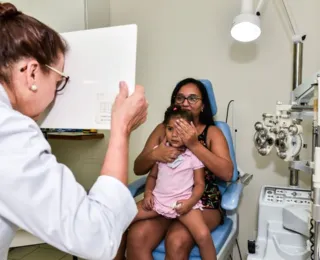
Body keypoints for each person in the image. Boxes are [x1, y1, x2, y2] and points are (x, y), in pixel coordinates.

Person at [0, 2, 148, 260]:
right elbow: (96, 236)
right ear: (32, 73)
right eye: (59, 82)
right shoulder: (8, 130)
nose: (58, 95)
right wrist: (121, 130)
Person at [120, 78, 233, 260]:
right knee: (137, 236)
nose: (185, 103)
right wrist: (155, 155)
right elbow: (138, 168)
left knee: (176, 240)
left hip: (201, 201)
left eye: (192, 98)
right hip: (164, 198)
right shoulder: (163, 130)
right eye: (180, 98)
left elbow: (227, 173)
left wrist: (194, 145)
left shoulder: (212, 132)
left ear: (203, 105)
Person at [131, 104, 217, 260]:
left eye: (180, 130)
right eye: (170, 129)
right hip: (158, 201)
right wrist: (149, 193)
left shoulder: (194, 155)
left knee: (203, 235)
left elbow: (199, 185)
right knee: (124, 216)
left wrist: (190, 203)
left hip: (182, 203)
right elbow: (152, 177)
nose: (174, 135)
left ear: (191, 130)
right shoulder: (160, 150)